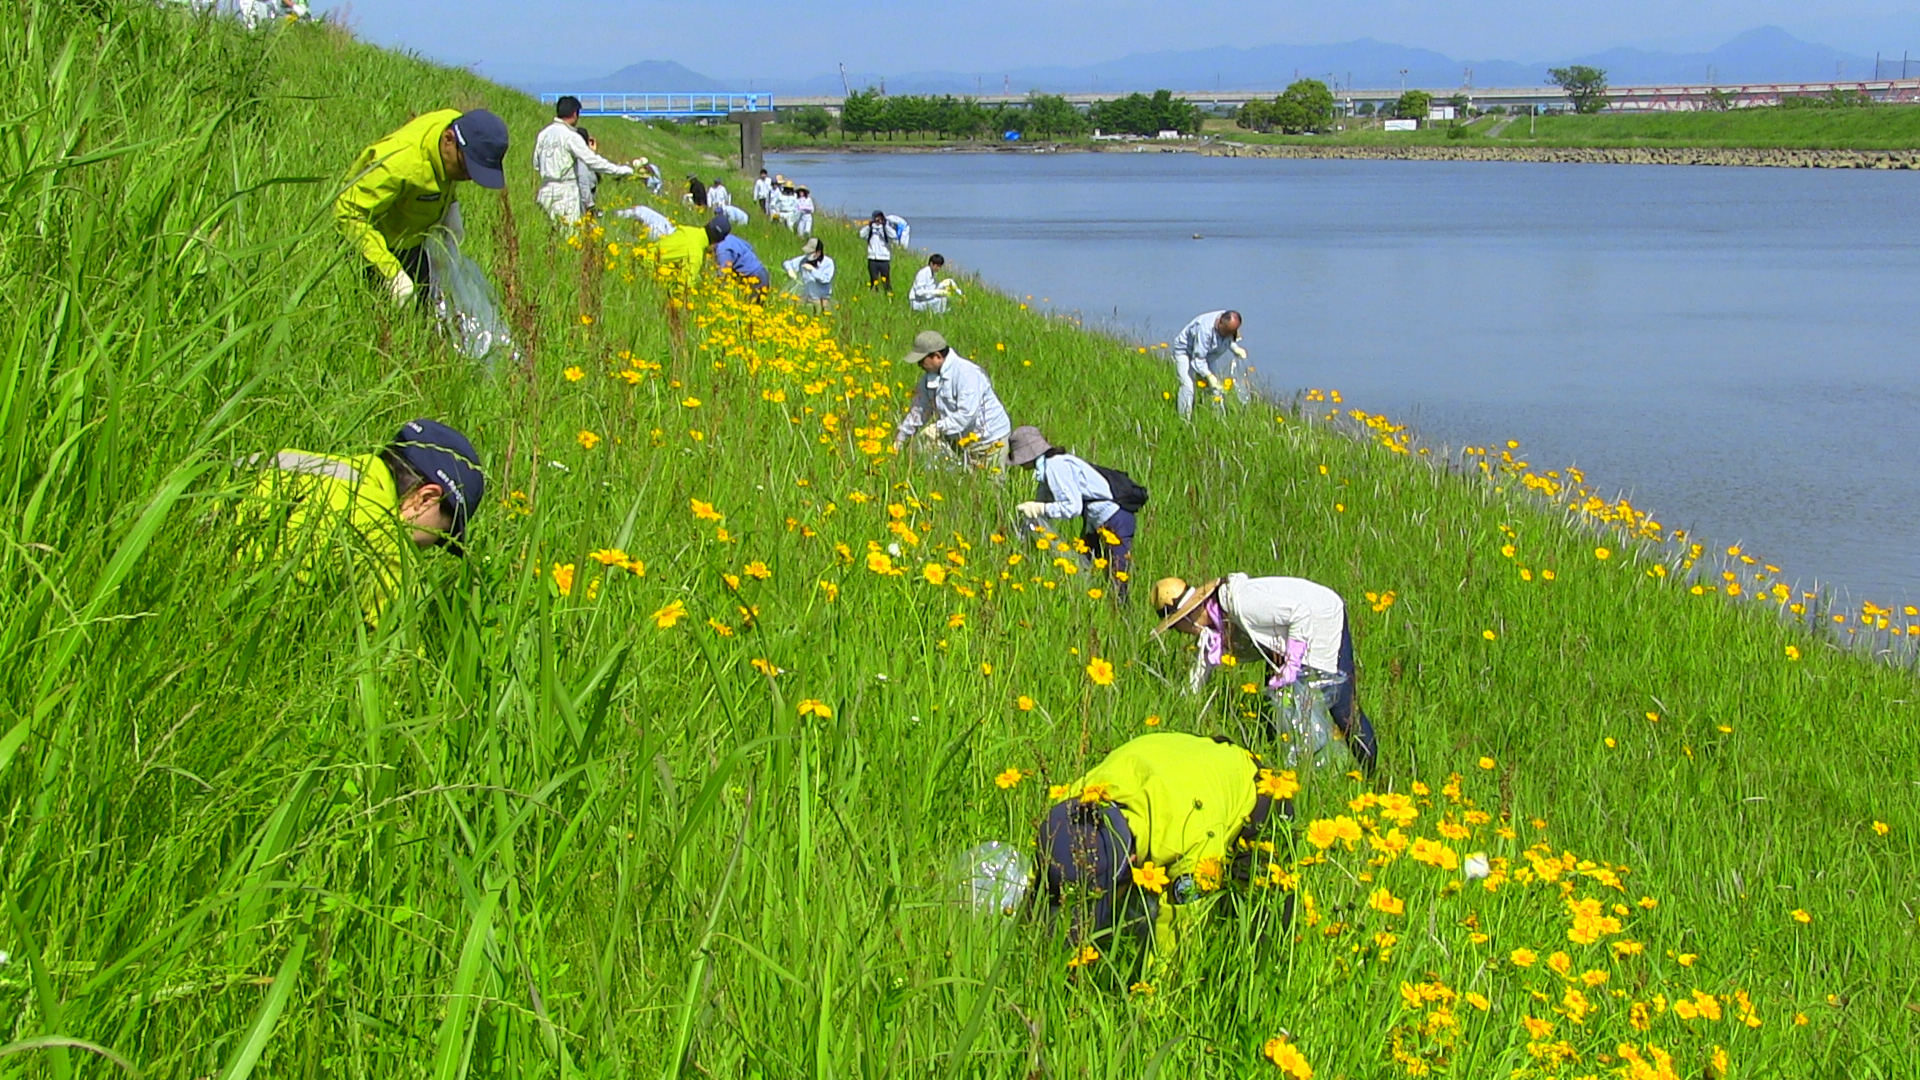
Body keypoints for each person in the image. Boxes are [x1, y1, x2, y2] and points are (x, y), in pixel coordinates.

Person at [1037, 732, 1290, 959]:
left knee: (1260, 935)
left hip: (1261, 797)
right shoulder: (1079, 798)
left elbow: (1178, 933)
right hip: (1190, 764)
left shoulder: (1189, 839)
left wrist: (1149, 1001)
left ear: (1132, 862)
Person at [237, 419, 485, 625]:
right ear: (424, 499)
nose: (426, 548)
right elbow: (397, 666)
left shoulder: (290, 461)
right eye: (440, 535)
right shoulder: (383, 538)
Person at [1151, 574, 1379, 773]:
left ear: (1187, 616)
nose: (1178, 632)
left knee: (1342, 706)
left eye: (1174, 625)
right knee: (1275, 701)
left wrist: (1292, 663)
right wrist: (1185, 702)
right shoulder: (1216, 621)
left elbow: (1299, 614)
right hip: (1287, 636)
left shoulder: (1242, 603)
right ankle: (1284, 762)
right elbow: (1203, 667)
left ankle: (1371, 774)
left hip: (1321, 617)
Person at [334, 108, 509, 308]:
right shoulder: (398, 164)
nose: (468, 177)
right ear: (448, 140)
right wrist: (392, 273)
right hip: (371, 249)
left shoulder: (454, 123)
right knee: (379, 314)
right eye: (465, 168)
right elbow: (347, 212)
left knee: (428, 313)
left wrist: (450, 205)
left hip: (412, 243)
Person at [1008, 426, 1137, 601]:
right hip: (1096, 521)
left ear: (1028, 454)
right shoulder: (1048, 468)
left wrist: (1039, 509)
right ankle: (1094, 606)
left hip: (1115, 518)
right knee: (1086, 567)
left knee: (1117, 578)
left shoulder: (1055, 467)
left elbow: (1072, 507)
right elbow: (1043, 501)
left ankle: (1123, 616)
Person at [892, 331, 1012, 471]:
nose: (919, 365)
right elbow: (919, 411)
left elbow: (967, 415)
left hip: (990, 439)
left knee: (992, 486)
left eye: (921, 361)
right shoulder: (928, 379)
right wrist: (900, 439)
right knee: (965, 483)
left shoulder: (967, 374)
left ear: (937, 356)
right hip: (961, 439)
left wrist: (937, 428)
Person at [532, 96, 637, 223]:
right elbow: (592, 161)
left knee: (549, 233)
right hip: (565, 193)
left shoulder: (544, 134)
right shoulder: (571, 136)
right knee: (569, 236)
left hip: (545, 191)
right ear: (575, 113)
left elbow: (536, 164)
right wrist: (620, 170)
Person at [1169, 310, 1249, 419]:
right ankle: (1184, 420)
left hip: (1208, 354)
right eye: (1226, 332)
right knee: (1188, 386)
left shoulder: (1228, 321)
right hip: (1185, 352)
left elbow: (1229, 338)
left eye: (1231, 333)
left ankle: (1218, 419)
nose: (1227, 335)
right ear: (1220, 323)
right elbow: (1198, 360)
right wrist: (1209, 376)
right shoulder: (1204, 330)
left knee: (1217, 389)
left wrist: (1235, 348)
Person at [707, 220, 770, 298]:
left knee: (750, 306)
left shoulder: (722, 249)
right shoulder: (730, 238)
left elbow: (723, 273)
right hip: (762, 273)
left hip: (754, 279)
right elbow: (750, 247)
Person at [782, 237, 835, 308]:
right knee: (792, 307)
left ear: (818, 253)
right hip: (806, 295)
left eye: (810, 253)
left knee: (820, 314)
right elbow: (787, 263)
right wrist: (790, 270)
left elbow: (826, 279)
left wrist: (812, 270)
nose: (807, 255)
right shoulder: (804, 260)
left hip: (822, 297)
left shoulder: (828, 263)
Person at [858, 210, 896, 292]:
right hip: (872, 258)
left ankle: (889, 296)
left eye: (880, 218)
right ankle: (874, 295)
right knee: (873, 280)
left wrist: (885, 225)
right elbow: (861, 234)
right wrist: (869, 226)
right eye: (876, 218)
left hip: (884, 259)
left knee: (886, 281)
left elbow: (894, 235)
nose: (878, 220)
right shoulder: (871, 228)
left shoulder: (886, 228)